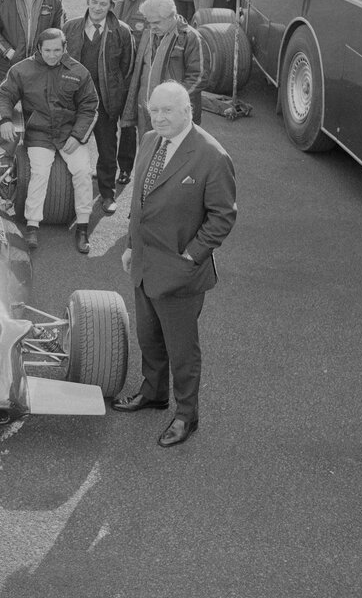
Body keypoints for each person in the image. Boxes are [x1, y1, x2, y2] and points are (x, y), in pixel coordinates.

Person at [114, 81, 237, 448]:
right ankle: (153, 393)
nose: (160, 117)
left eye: (168, 110)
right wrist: (131, 245)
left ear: (188, 110)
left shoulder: (212, 155)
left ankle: (186, 415)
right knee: (149, 338)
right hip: (144, 264)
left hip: (181, 273)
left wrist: (191, 255)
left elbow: (222, 216)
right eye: (154, 110)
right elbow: (139, 201)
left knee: (182, 351)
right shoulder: (150, 140)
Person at [0, 28, 98, 254]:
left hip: (69, 134)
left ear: (64, 49)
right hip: (39, 134)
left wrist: (77, 136)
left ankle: (82, 226)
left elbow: (90, 107)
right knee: (39, 173)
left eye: (57, 50)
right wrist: (4, 120)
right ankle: (32, 226)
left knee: (83, 172)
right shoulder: (21, 70)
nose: (52, 55)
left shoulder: (79, 72)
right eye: (48, 50)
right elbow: (4, 95)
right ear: (39, 49)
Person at [62, 0, 134, 214]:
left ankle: (107, 194)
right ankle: (66, 195)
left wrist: (116, 97)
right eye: (94, 2)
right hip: (75, 103)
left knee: (107, 150)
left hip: (104, 103)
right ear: (87, 1)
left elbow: (127, 69)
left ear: (111, 6)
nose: (97, 7)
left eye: (103, 4)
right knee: (70, 148)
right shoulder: (70, 27)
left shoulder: (122, 31)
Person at [122, 0, 206, 134]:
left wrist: (173, 101)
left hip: (174, 112)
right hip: (147, 109)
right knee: (148, 148)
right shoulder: (148, 32)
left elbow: (199, 77)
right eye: (149, 22)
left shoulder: (191, 38)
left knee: (176, 153)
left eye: (156, 23)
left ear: (172, 16)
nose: (152, 27)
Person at [110, 0, 150, 184]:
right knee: (104, 126)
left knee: (127, 125)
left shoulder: (147, 3)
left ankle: (125, 169)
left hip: (131, 77)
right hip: (107, 74)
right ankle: (105, 165)